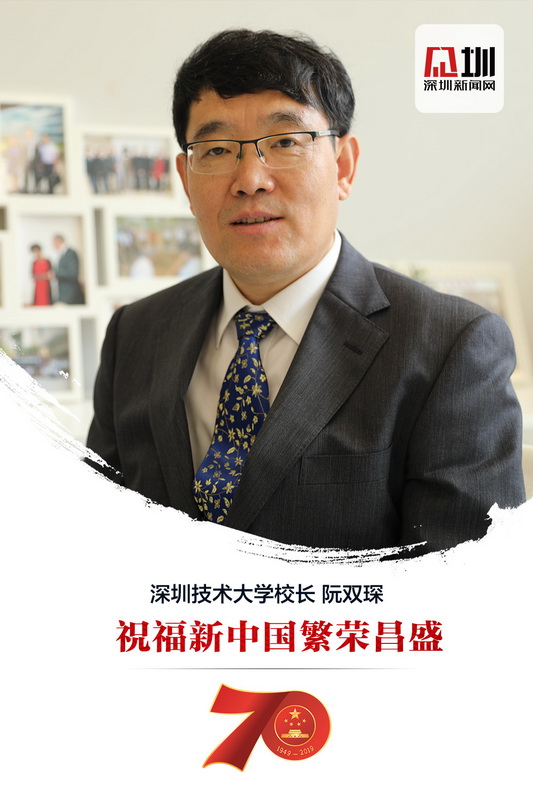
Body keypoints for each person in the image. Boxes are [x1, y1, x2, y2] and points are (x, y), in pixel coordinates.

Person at [86, 28, 525, 554]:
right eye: (217, 149)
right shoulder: (135, 332)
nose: (250, 179)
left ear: (343, 166)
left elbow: (460, 585)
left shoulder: (452, 346)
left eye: (285, 142)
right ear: (186, 178)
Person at [52, 235, 85, 304]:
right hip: (64, 294)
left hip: (70, 294)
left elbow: (73, 273)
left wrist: (55, 274)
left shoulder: (70, 253)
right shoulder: (62, 255)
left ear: (58, 242)